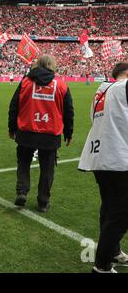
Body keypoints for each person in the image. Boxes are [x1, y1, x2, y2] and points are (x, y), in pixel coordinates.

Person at [79, 62, 128, 273]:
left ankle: (113, 252)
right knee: (120, 215)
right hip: (119, 158)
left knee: (110, 208)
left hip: (99, 157)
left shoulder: (102, 92)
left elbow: (94, 120)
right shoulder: (122, 88)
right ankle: (102, 267)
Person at [8, 54, 74, 212]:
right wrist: (68, 133)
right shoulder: (61, 85)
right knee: (47, 169)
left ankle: (22, 192)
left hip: (26, 132)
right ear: (52, 65)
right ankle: (43, 202)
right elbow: (68, 111)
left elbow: (14, 106)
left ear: (38, 64)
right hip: (50, 135)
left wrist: (12, 128)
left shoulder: (25, 81)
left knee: (23, 163)